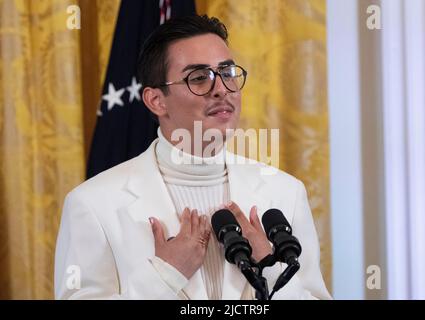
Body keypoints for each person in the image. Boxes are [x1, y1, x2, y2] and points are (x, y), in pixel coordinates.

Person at [54, 14, 331, 300]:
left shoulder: (286, 192)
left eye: (227, 72)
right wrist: (164, 277)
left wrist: (270, 268)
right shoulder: (93, 204)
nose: (222, 89)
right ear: (156, 101)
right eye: (199, 78)